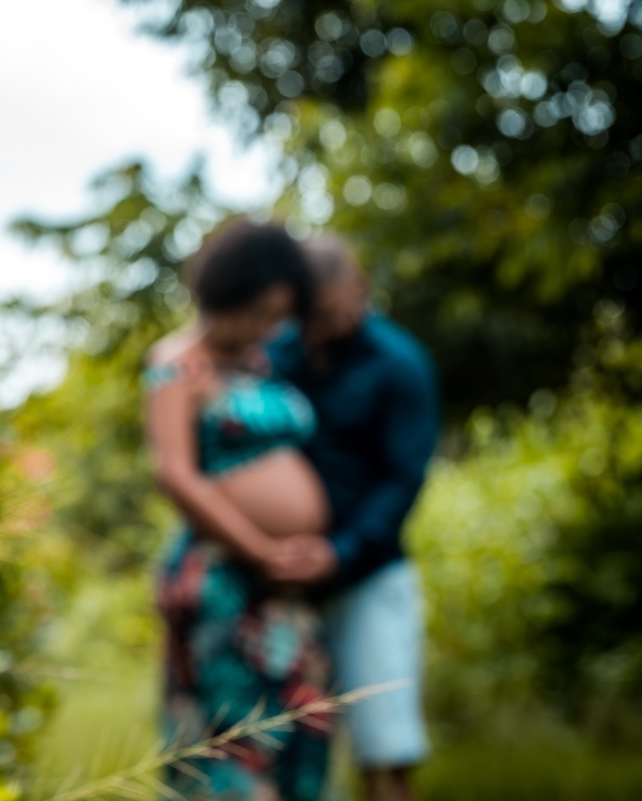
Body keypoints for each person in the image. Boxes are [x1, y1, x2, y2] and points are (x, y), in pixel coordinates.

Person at [143, 219, 335, 801]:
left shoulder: (261, 364)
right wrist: (263, 549)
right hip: (224, 582)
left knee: (299, 733)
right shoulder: (178, 362)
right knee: (231, 741)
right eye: (254, 311)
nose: (262, 327)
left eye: (274, 316)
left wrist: (310, 553)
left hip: (288, 594)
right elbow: (175, 475)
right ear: (224, 292)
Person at [267, 235, 440, 801]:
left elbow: (402, 480)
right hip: (280, 583)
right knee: (279, 751)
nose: (315, 329)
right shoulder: (278, 354)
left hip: (367, 578)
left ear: (358, 288)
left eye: (325, 314)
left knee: (383, 756)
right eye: (305, 316)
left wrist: (339, 552)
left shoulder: (401, 365)